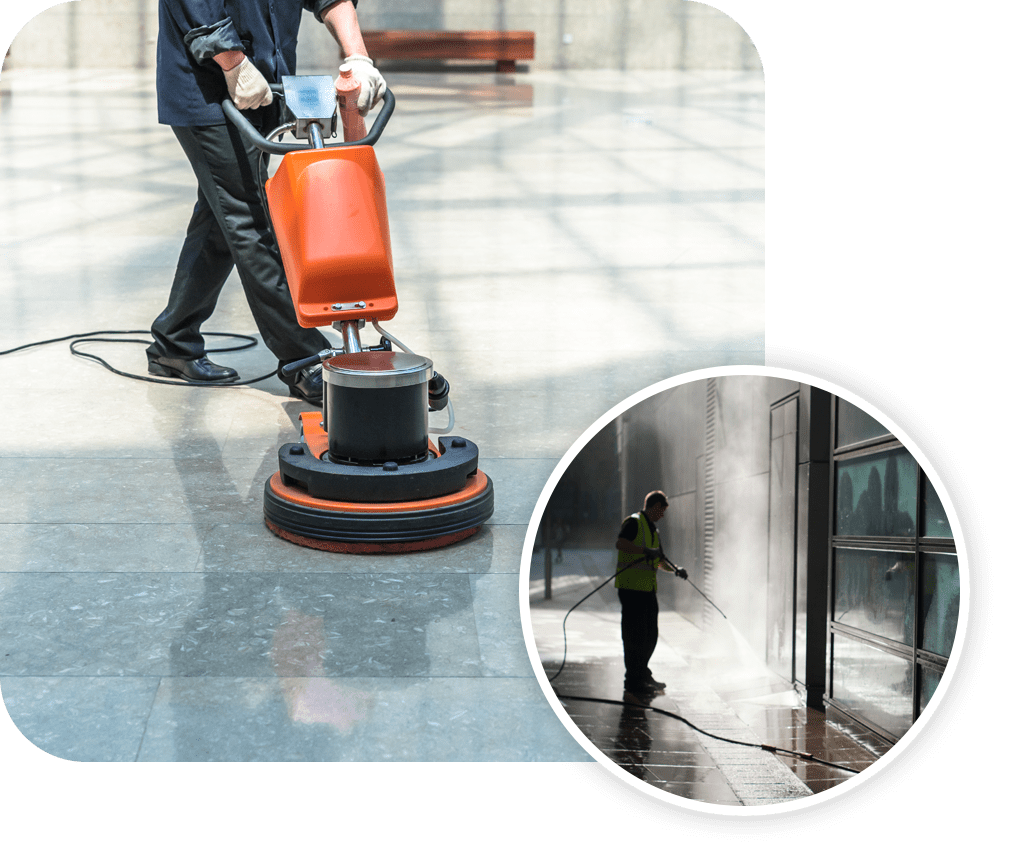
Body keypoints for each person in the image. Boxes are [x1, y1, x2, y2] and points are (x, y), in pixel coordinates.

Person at [148, 0, 386, 404]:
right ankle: (303, 358)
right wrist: (232, 62)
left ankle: (174, 340)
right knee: (249, 217)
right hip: (208, 88)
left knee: (222, 213)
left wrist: (357, 54)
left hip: (262, 81)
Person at [615, 490, 674, 698]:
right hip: (631, 589)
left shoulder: (653, 530)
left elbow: (659, 560)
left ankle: (642, 673)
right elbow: (620, 543)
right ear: (654, 506)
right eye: (662, 511)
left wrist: (676, 570)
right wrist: (644, 551)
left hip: (647, 590)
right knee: (635, 637)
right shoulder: (634, 522)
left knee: (650, 635)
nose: (663, 515)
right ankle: (633, 681)